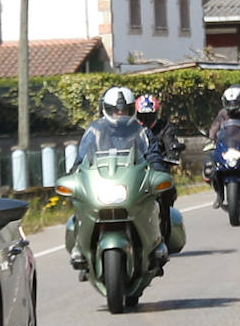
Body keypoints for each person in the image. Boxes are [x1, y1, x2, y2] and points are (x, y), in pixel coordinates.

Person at [70, 86, 167, 272]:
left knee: (158, 197)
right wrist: (75, 172)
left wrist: (157, 170)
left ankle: (157, 242)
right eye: (115, 110)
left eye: (124, 110)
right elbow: (82, 157)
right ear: (106, 109)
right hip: (104, 182)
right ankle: (79, 246)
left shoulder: (141, 132)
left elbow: (153, 154)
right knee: (79, 202)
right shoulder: (94, 131)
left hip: (131, 183)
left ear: (132, 110)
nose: (119, 113)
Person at [135, 93, 181, 242]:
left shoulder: (164, 127)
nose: (146, 120)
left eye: (149, 116)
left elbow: (170, 142)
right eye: (142, 116)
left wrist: (172, 153)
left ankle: (165, 233)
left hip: (157, 169)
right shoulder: (132, 129)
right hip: (136, 171)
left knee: (166, 193)